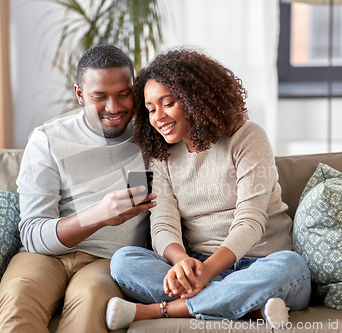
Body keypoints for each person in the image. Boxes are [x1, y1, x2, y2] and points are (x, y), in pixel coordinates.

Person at [106, 48, 311, 330]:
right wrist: (182, 263)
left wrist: (205, 275)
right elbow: (162, 222)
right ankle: (245, 307)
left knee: (292, 267)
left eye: (168, 103)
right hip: (195, 265)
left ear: (194, 99)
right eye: (151, 109)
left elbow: (250, 222)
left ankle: (161, 310)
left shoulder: (247, 137)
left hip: (261, 263)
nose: (158, 117)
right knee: (124, 261)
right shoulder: (162, 154)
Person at [0, 45, 156, 333]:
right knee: (20, 298)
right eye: (99, 97)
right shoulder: (47, 139)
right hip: (44, 256)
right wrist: (98, 215)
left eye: (123, 94)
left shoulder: (152, 137)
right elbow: (32, 233)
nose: (114, 108)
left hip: (109, 260)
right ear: (79, 94)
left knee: (89, 301)